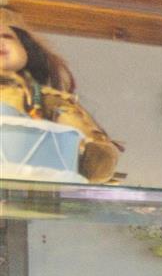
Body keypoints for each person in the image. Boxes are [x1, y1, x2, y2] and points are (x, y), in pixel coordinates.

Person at [0, 21, 123, 182]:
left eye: (7, 36)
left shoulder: (46, 98)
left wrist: (95, 153)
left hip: (37, 186)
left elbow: (92, 148)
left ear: (26, 48)